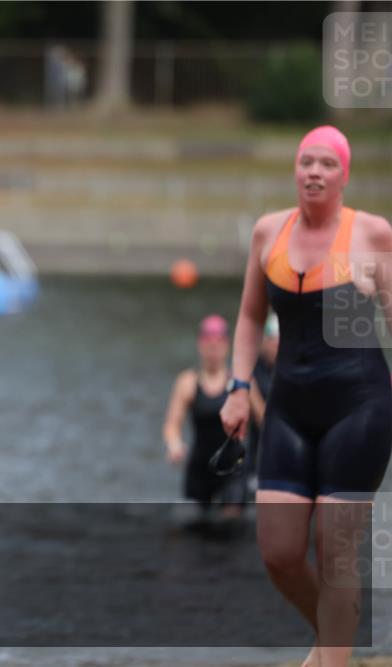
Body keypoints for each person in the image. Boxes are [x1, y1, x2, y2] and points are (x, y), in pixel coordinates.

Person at [219, 126, 392, 667]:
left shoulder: (372, 235)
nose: (315, 172)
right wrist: (238, 389)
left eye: (327, 164)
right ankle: (335, 634)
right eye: (306, 162)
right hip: (289, 409)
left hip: (359, 406)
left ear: (344, 176)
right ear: (296, 169)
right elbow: (250, 318)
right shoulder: (268, 232)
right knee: (279, 554)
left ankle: (332, 652)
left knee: (335, 553)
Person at [163, 314, 246, 517]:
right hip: (199, 469)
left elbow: (264, 419)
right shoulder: (187, 382)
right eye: (208, 342)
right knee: (193, 525)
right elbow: (172, 425)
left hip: (232, 469)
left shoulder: (240, 382)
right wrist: (174, 445)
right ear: (200, 345)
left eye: (218, 342)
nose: (213, 348)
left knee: (231, 521)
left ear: (227, 346)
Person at [245, 311, 279, 491]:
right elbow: (264, 421)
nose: (277, 346)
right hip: (258, 459)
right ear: (264, 341)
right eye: (273, 340)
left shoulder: (292, 368)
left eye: (280, 341)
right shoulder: (250, 370)